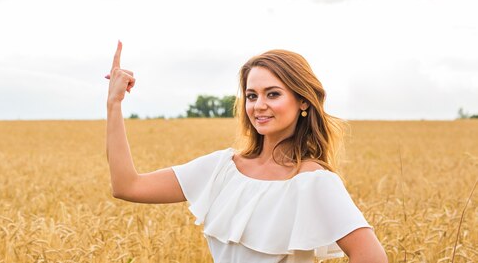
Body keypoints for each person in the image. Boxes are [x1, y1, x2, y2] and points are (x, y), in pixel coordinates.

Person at [105, 41, 387, 263]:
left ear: (302, 101)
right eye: (252, 95)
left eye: (273, 94)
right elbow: (128, 185)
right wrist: (114, 104)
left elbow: (372, 257)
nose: (258, 105)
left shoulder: (313, 180)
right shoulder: (221, 168)